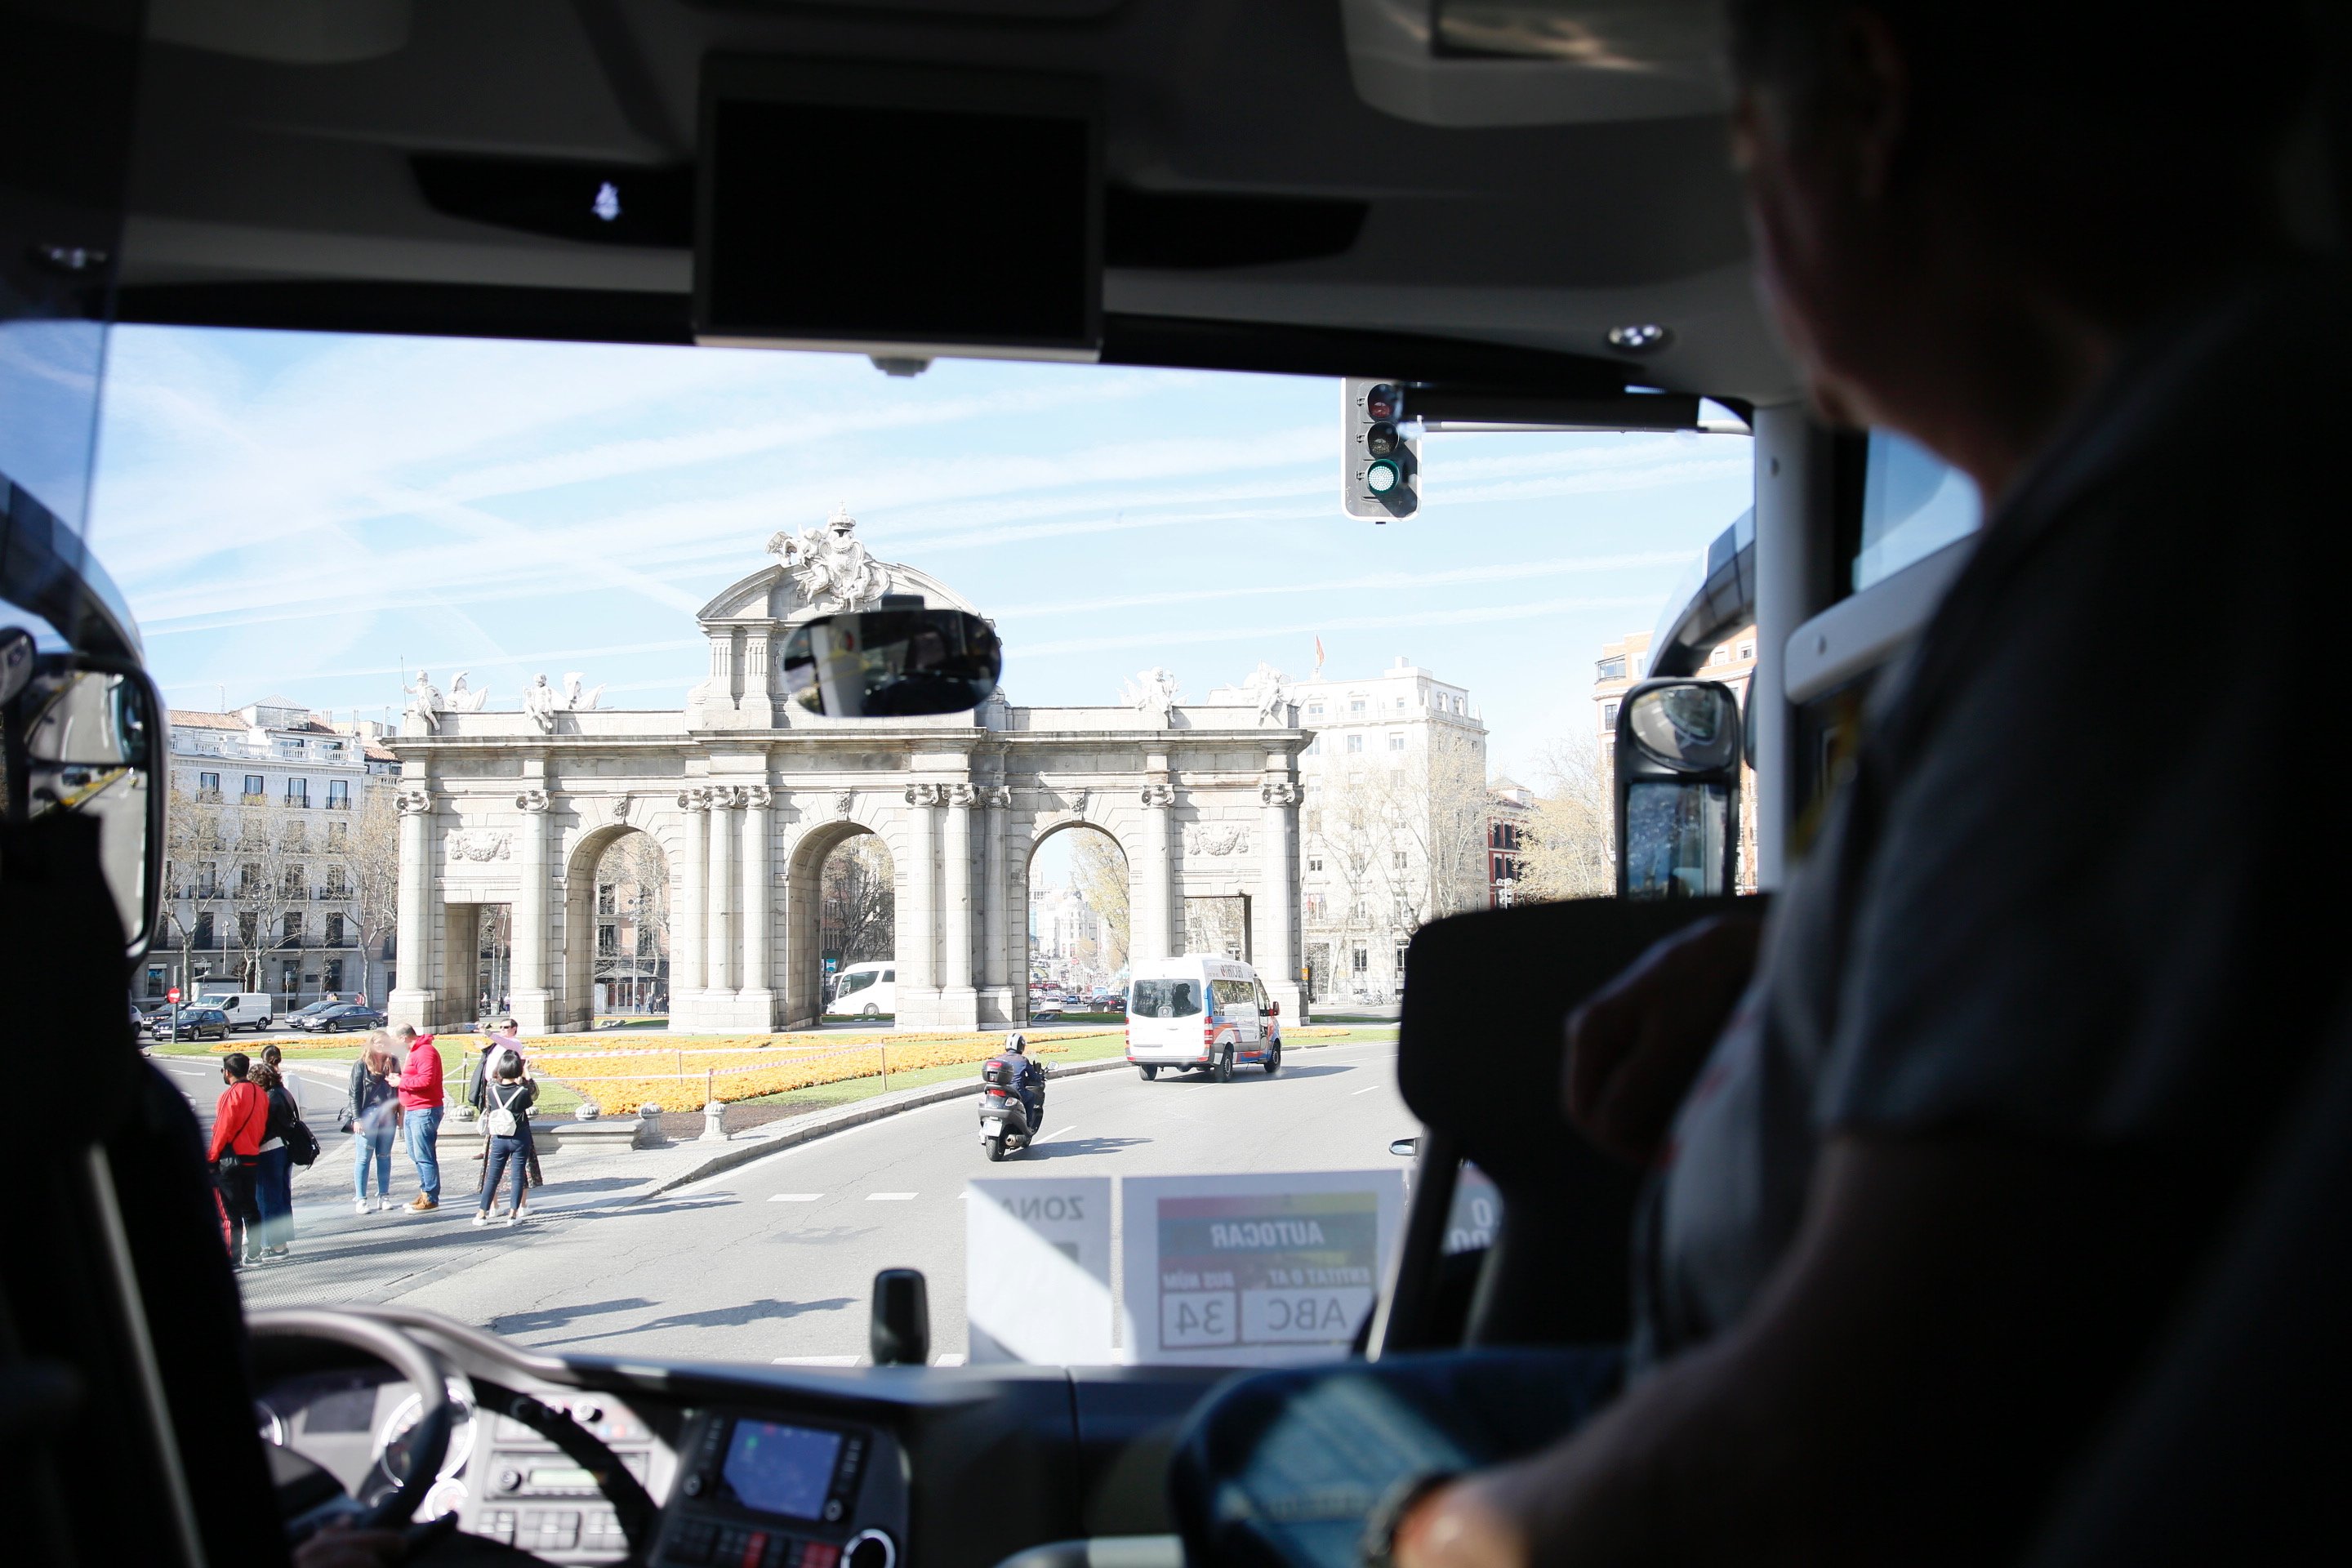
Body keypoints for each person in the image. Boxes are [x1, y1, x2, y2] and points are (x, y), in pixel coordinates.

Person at [1174, 6, 2345, 1567]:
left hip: (1788, 1463)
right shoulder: (2196, 486)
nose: (1754, 226)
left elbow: (1834, 1442)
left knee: (1267, 1462)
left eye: (1745, 161)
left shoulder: (2148, 564)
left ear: (1871, 103)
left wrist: (1435, 1538)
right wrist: (1789, 949)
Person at [205, 1052, 267, 1267]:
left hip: (229, 1160)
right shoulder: (260, 1093)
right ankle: (255, 1254)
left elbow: (222, 1129)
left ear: (228, 1072)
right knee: (251, 1207)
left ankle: (233, 1258)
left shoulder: (230, 1095)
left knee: (229, 1213)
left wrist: (211, 1158)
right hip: (251, 1156)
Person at [474, 1052, 537, 1227]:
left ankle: (482, 1214)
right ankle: (513, 1214)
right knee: (517, 1176)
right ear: (517, 1070)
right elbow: (532, 1096)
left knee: (492, 1177)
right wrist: (526, 1075)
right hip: (519, 1137)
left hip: (499, 1138)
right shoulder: (522, 1092)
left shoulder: (492, 1090)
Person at [248, 1063, 299, 1258]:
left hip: (269, 1150)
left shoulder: (269, 1098)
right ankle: (281, 1243)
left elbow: (264, 1129)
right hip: (284, 1148)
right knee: (281, 1195)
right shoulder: (283, 1092)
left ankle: (276, 1246)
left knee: (268, 1198)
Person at [346, 1036, 401, 1214]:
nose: (382, 1046)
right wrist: (357, 1118)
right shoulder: (361, 1065)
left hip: (388, 1114)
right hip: (368, 1115)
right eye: (379, 1043)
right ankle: (361, 1198)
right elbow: (354, 1093)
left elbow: (400, 1090)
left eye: (385, 1043)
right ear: (371, 1044)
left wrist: (401, 1114)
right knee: (364, 1157)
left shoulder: (393, 1062)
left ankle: (384, 1195)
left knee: (384, 1155)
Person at [394, 1024, 445, 1212]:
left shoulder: (425, 1052)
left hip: (425, 1109)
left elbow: (426, 1080)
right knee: (415, 1154)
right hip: (414, 1108)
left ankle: (431, 1197)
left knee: (424, 1155)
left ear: (403, 1037)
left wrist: (401, 1082)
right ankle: (425, 1192)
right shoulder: (416, 1051)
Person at [994, 1031, 1045, 1130]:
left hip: (999, 1091)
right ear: (1021, 1046)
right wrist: (1040, 1077)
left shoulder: (998, 1058)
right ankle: (1028, 1123)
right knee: (1031, 1096)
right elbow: (1033, 1076)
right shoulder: (1022, 1060)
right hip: (1016, 1091)